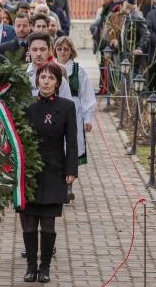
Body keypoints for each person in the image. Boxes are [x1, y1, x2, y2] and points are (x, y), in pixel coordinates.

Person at [21, 62, 78, 283]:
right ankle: (30, 267)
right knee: (28, 221)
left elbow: (71, 141)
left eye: (51, 78)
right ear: (37, 81)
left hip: (55, 170)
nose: (46, 81)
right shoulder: (27, 105)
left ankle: (44, 267)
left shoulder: (66, 106)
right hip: (30, 172)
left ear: (58, 82)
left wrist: (71, 169)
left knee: (48, 222)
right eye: (42, 77)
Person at [54, 36, 95, 198]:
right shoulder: (51, 68)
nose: (63, 52)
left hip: (75, 110)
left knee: (71, 145)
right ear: (55, 50)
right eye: (59, 49)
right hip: (56, 109)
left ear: (71, 51)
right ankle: (58, 183)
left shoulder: (79, 70)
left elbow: (87, 95)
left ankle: (69, 184)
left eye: (66, 49)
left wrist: (88, 118)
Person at [26, 31, 72, 99]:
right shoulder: (22, 72)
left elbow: (67, 103)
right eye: (34, 49)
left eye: (42, 49)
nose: (38, 53)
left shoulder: (59, 72)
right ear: (29, 50)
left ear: (49, 50)